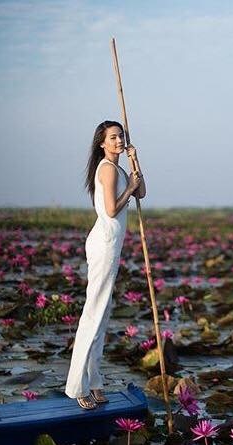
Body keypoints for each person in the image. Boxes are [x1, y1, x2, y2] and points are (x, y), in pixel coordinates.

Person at [65, 120, 145, 409]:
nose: (118, 140)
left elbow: (142, 192)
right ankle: (77, 386)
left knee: (104, 312)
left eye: (121, 136)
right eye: (113, 137)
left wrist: (135, 163)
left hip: (112, 245)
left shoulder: (120, 168)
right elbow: (112, 209)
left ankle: (94, 381)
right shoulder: (107, 168)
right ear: (102, 142)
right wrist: (130, 188)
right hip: (103, 244)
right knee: (93, 313)